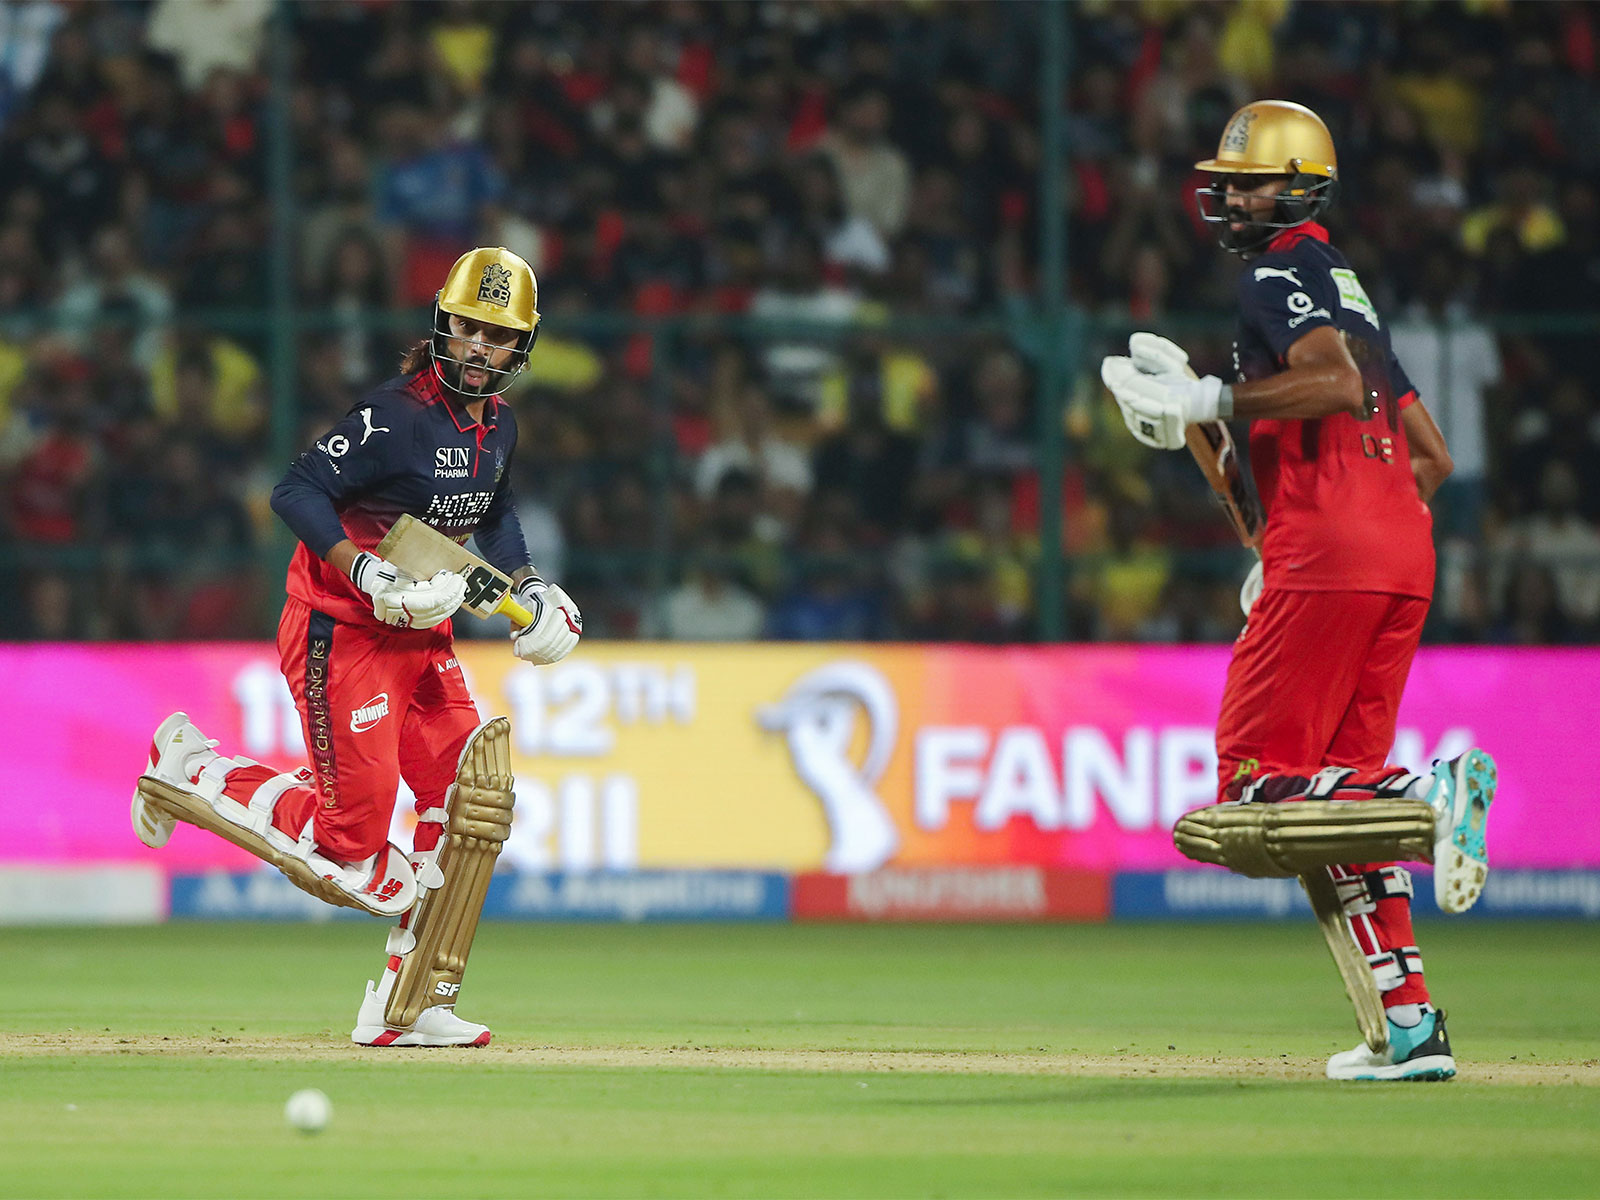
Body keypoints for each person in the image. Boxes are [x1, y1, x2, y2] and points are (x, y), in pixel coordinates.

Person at [1100, 101, 1496, 1082]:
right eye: (1228, 183)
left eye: (1252, 183)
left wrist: (1212, 401)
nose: (1233, 198)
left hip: (1334, 560)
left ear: (1301, 188)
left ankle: (1432, 790)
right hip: (1400, 556)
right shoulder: (1351, 295)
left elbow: (1327, 386)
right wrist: (1270, 532)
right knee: (1336, 809)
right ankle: (1408, 1026)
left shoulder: (1276, 275)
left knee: (1252, 788)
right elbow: (1432, 459)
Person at [130, 248, 582, 1047]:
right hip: (342, 633)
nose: (480, 347)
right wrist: (365, 571)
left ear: (523, 345)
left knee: (470, 801)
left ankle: (412, 1003)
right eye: (469, 328)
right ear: (443, 324)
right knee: (351, 853)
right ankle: (189, 770)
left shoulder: (500, 425)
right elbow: (295, 490)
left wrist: (531, 589)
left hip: (424, 634)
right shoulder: (395, 418)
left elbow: (494, 508)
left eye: (498, 335)